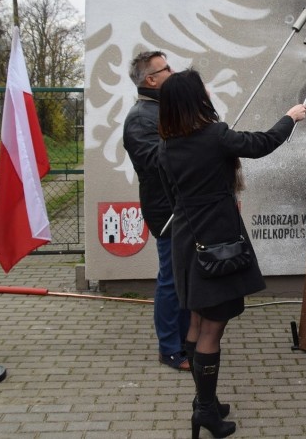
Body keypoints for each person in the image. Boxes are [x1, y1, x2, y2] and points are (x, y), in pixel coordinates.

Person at [158, 69, 306, 438]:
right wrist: (290, 118)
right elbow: (261, 143)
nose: (208, 89)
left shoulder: (166, 146)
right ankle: (206, 410)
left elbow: (172, 196)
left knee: (195, 322)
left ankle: (201, 400)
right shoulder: (214, 136)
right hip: (217, 245)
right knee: (212, 328)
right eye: (203, 87)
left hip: (187, 243)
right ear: (196, 98)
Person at [122, 50, 191, 371]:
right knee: (171, 280)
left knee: (187, 278)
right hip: (167, 213)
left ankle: (187, 339)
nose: (173, 72)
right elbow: (155, 162)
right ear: (151, 79)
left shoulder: (164, 109)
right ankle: (169, 348)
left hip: (186, 206)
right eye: (167, 69)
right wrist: (190, 139)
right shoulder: (140, 118)